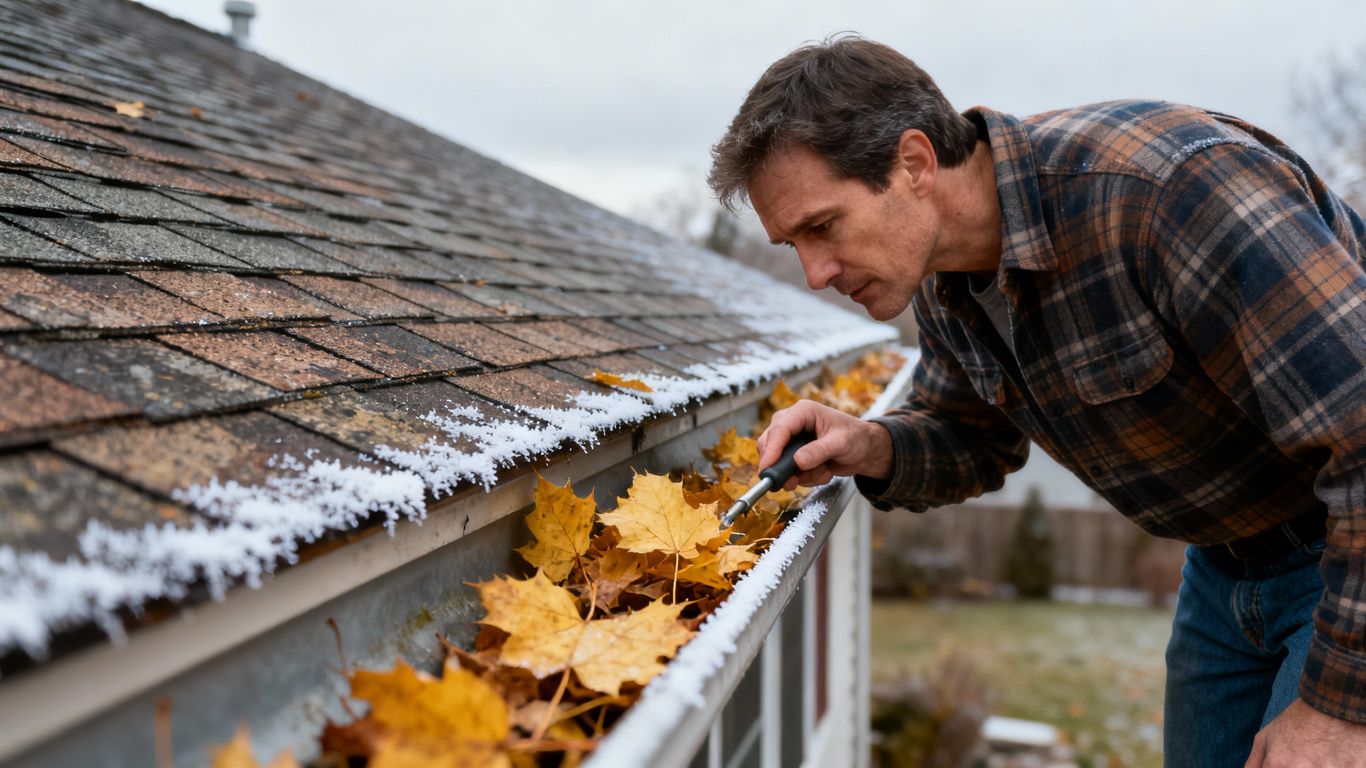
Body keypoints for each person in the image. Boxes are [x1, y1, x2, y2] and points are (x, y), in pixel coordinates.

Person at [709, 36, 1366, 767]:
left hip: (1344, 552)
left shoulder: (1168, 193)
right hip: (1223, 571)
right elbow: (970, 439)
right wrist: (871, 444)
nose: (814, 273)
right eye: (791, 243)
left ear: (915, 164)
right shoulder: (947, 282)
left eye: (822, 227)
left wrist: (1345, 705)